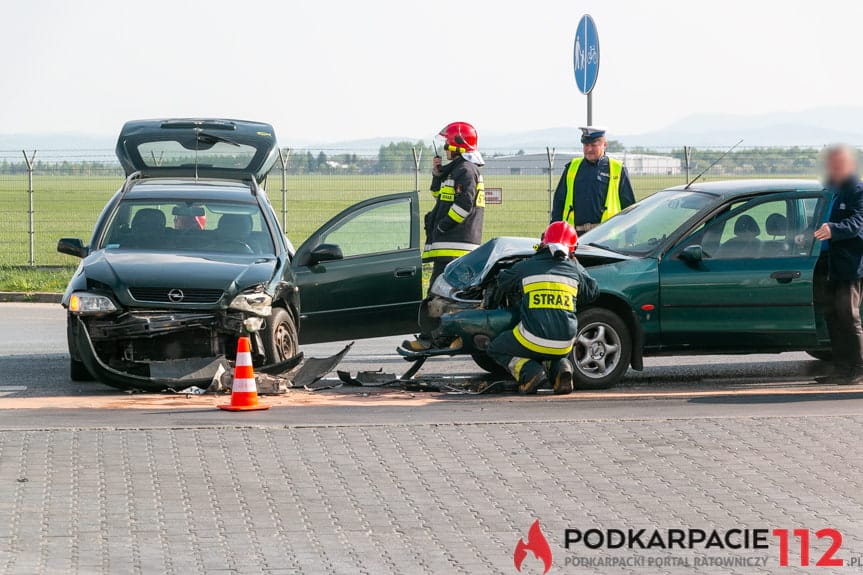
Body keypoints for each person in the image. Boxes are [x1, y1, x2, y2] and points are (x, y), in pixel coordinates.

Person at [486, 221, 598, 395]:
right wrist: (575, 263)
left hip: (532, 339)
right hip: (566, 343)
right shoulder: (574, 271)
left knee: (496, 348)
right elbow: (592, 292)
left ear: (543, 242)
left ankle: (530, 372)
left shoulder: (527, 266)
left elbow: (502, 281)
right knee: (553, 351)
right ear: (572, 249)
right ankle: (561, 368)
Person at [403, 122, 485, 352]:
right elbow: (439, 194)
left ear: (459, 145)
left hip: (454, 245)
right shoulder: (457, 169)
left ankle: (431, 340)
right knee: (449, 297)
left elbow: (464, 204)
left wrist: (443, 226)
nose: (446, 148)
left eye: (448, 143)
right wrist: (437, 173)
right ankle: (445, 338)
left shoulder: (466, 170)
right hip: (452, 245)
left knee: (438, 296)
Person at [814, 144, 863, 385]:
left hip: (849, 266)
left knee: (849, 317)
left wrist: (833, 229)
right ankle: (841, 368)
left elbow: (857, 224)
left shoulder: (857, 191)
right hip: (827, 264)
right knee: (832, 317)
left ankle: (858, 368)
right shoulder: (830, 190)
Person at [550, 127, 635, 234]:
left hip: (606, 236)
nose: (589, 149)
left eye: (594, 145)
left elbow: (629, 206)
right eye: (586, 145)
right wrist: (553, 230)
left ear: (604, 145)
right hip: (573, 235)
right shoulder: (572, 167)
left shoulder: (617, 168)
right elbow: (559, 202)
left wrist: (631, 235)